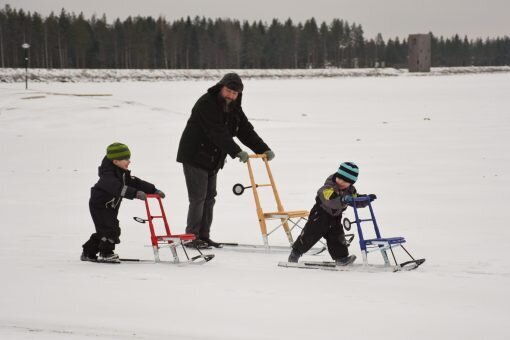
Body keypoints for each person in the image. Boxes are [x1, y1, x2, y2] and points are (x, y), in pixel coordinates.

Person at [177, 73, 275, 249]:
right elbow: (216, 132)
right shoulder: (206, 103)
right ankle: (191, 236)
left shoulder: (234, 108)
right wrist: (236, 151)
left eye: (235, 93)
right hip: (194, 155)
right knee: (198, 197)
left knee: (209, 198)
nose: (231, 96)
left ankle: (204, 236)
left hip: (212, 159)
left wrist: (263, 149)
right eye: (229, 91)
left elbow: (245, 130)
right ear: (220, 87)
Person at [81, 143, 165, 263]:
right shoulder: (108, 177)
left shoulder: (122, 173)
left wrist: (153, 190)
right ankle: (106, 253)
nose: (129, 161)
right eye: (125, 159)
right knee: (110, 230)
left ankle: (88, 252)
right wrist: (135, 193)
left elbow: (136, 182)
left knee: (108, 230)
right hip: (100, 205)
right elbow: (118, 188)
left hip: (110, 206)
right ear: (115, 161)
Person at [288, 162, 376, 265]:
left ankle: (341, 258)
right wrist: (343, 199)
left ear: (351, 182)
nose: (341, 182)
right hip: (320, 216)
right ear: (336, 176)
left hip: (335, 218)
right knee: (310, 235)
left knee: (337, 237)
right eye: (340, 178)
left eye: (346, 181)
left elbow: (354, 199)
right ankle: (296, 253)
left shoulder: (350, 190)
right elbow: (330, 200)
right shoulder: (328, 187)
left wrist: (366, 199)